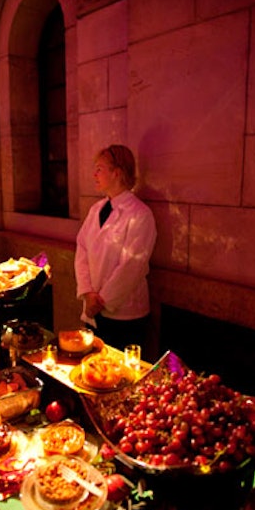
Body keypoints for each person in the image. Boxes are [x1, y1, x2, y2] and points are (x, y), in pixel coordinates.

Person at [74, 144, 157, 356]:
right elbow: (82, 248)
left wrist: (102, 300)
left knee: (121, 378)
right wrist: (87, 292)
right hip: (94, 309)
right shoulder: (96, 209)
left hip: (125, 315)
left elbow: (133, 266)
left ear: (117, 172)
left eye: (100, 168)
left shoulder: (140, 214)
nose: (94, 174)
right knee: (94, 371)